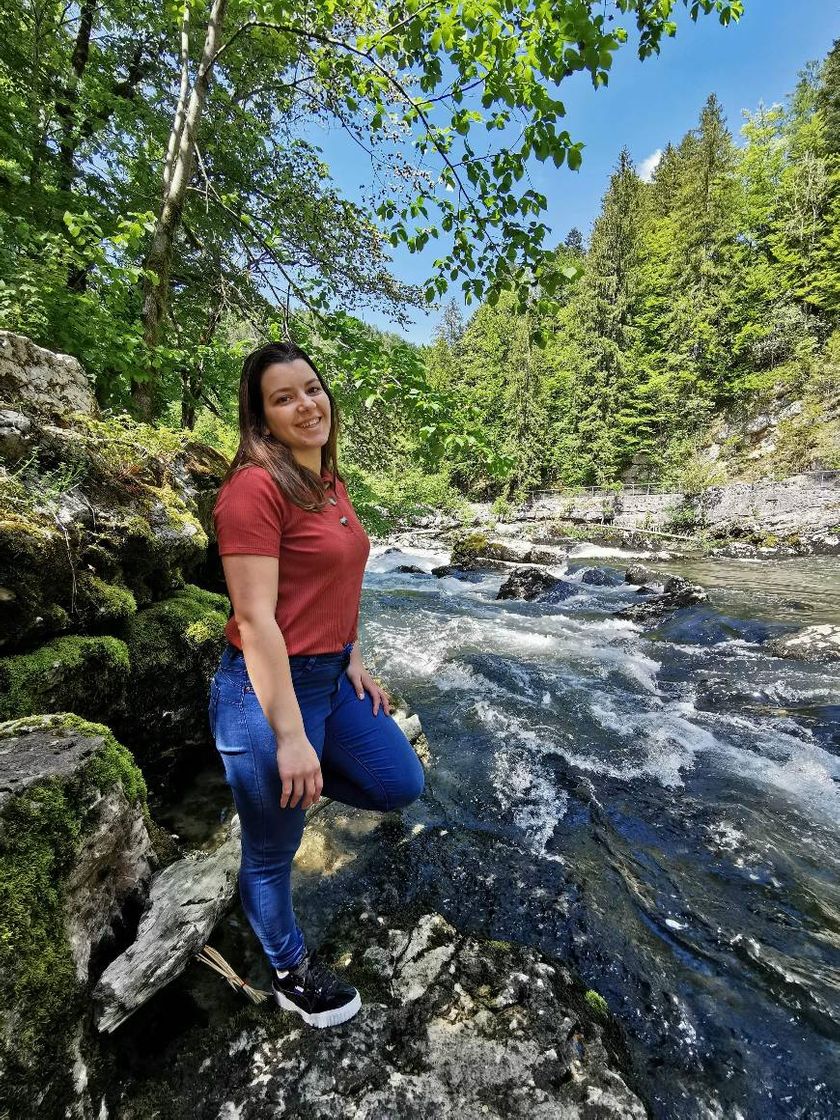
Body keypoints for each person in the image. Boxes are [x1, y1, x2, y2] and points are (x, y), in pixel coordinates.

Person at [207, 340, 425, 1029]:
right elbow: (255, 619)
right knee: (271, 853)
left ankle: (284, 788)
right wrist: (292, 737)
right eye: (283, 397)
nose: (306, 405)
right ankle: (289, 973)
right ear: (260, 417)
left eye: (312, 388)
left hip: (330, 677)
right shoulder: (253, 490)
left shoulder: (327, 483)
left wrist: (352, 651)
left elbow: (340, 578)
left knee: (400, 784)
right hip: (266, 694)